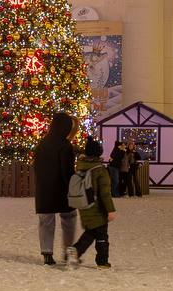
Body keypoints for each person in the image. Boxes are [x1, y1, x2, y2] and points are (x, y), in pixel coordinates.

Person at [32, 112, 78, 266]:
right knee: (69, 218)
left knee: (46, 220)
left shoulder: (41, 144)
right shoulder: (65, 146)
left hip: (44, 189)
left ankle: (47, 253)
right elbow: (67, 170)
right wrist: (72, 187)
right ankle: (68, 251)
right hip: (62, 189)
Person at [65, 138, 116, 269]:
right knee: (102, 236)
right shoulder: (100, 170)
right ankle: (102, 262)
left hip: (84, 205)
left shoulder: (81, 167)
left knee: (91, 232)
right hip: (96, 207)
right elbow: (105, 193)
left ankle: (75, 251)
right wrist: (110, 210)